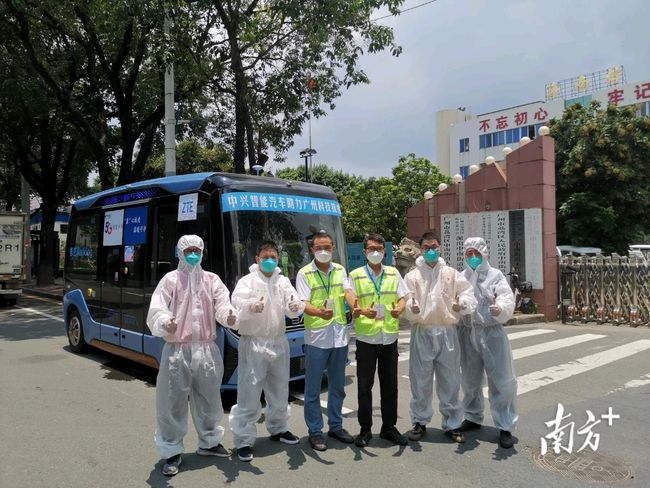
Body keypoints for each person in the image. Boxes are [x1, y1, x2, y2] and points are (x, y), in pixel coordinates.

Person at [147, 235, 238, 476]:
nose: (193, 254)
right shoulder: (171, 280)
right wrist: (164, 321)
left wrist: (229, 315)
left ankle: (209, 442)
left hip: (206, 349)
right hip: (177, 350)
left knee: (210, 398)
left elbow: (223, 304)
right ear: (180, 252)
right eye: (189, 250)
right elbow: (157, 307)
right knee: (172, 402)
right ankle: (171, 450)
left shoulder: (211, 280)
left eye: (197, 250)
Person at [229, 240, 306, 462]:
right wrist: (250, 307)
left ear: (278, 259)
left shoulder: (283, 281)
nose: (270, 261)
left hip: (278, 342)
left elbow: (294, 304)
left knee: (280, 388)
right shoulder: (247, 281)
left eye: (273, 257)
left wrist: (295, 308)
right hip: (254, 343)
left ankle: (279, 428)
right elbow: (236, 303)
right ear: (257, 259)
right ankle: (244, 440)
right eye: (266, 257)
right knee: (249, 392)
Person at [403, 231, 477, 444]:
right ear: (421, 249)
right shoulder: (412, 276)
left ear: (440, 247)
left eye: (434, 246)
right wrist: (410, 308)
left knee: (450, 380)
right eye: (426, 247)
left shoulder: (451, 273)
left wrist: (462, 304)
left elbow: (468, 293)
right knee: (420, 380)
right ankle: (419, 421)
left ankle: (452, 423)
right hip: (422, 330)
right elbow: (405, 299)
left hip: (447, 331)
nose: (431, 251)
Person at [296, 231, 358, 451]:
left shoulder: (339, 269)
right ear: (312, 250)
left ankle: (336, 426)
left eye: (327, 247)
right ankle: (315, 431)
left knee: (338, 386)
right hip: (317, 337)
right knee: (313, 388)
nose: (323, 251)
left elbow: (348, 291)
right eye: (319, 248)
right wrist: (318, 312)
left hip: (339, 335)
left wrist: (356, 305)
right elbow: (303, 302)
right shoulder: (304, 273)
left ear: (333, 248)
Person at [349, 233, 410, 447]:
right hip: (366, 338)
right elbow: (350, 296)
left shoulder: (393, 273)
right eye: (371, 249)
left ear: (384, 251)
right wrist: (358, 308)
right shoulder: (356, 274)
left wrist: (400, 308)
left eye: (379, 249)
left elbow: (403, 297)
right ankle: (365, 429)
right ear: (364, 251)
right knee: (364, 387)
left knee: (390, 386)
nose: (375, 252)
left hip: (389, 337)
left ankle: (389, 427)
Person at [457, 237, 517, 449]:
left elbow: (506, 297)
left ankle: (505, 425)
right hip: (467, 332)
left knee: (501, 379)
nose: (473, 257)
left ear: (484, 253)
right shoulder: (461, 277)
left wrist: (500, 308)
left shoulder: (495, 275)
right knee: (469, 379)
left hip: (491, 333)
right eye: (469, 254)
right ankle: (472, 416)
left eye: (476, 253)